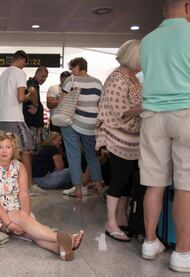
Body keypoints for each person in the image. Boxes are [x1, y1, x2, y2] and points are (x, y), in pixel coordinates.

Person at [139, 0, 190, 272]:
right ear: (187, 6)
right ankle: (182, 253)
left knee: (154, 182)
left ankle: (150, 243)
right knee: (186, 184)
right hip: (186, 112)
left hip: (152, 116)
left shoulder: (147, 40)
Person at [0, 131, 84, 261]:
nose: (4, 151)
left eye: (8, 147)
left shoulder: (19, 166)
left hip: (17, 211)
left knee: (31, 231)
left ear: (14, 149)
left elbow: (23, 195)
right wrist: (9, 223)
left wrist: (26, 217)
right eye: (0, 147)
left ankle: (60, 249)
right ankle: (61, 237)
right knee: (29, 226)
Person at [96, 39, 142, 242]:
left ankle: (122, 218)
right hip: (118, 137)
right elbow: (120, 112)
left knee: (127, 180)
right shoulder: (117, 79)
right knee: (119, 179)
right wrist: (146, 106)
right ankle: (111, 222)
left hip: (132, 138)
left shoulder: (133, 78)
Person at [0, 50, 44, 196]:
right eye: (25, 64)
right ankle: (28, 187)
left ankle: (10, 185)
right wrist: (31, 94)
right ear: (21, 60)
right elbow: (20, 98)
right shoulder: (19, 73)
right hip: (15, 118)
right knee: (26, 149)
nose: (24, 67)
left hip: (3, 119)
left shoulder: (3, 74)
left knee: (8, 153)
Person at [60, 57, 103, 198]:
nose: (71, 71)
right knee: (92, 155)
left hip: (72, 122)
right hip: (91, 124)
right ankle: (98, 186)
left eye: (72, 68)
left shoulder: (71, 80)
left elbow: (62, 102)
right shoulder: (98, 83)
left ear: (78, 67)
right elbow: (100, 105)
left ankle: (78, 190)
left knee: (74, 155)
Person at [23, 66, 49, 154]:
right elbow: (32, 90)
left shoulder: (34, 83)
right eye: (42, 76)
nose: (44, 79)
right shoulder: (32, 82)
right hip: (32, 124)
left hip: (34, 124)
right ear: (37, 73)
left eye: (45, 77)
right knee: (32, 150)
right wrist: (36, 105)